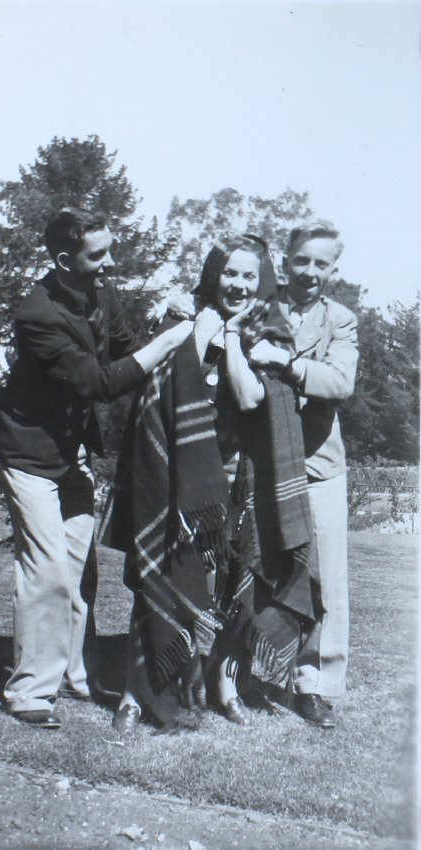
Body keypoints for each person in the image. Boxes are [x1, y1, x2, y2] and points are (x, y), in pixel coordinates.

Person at [102, 233, 321, 734]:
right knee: (158, 575)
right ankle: (137, 693)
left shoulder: (270, 326)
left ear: (261, 279)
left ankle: (224, 689)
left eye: (249, 275)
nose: (238, 284)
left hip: (236, 480)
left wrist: (236, 344)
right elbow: (159, 394)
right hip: (176, 479)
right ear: (213, 274)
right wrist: (200, 334)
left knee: (230, 587)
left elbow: (248, 400)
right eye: (229, 273)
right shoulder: (183, 317)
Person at [0, 207, 194, 728]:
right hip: (30, 457)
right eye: (98, 254)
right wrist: (170, 341)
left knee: (81, 572)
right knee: (47, 571)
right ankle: (30, 691)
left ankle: (78, 676)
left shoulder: (101, 296)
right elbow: (98, 383)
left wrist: (174, 326)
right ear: (63, 259)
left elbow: (130, 350)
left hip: (73, 455)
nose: (111, 262)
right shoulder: (35, 314)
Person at [246, 220, 358, 728]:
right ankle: (245, 669)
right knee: (260, 570)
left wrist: (286, 364)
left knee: (324, 581)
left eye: (321, 263)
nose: (309, 272)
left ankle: (315, 685)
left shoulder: (341, 320)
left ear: (333, 269)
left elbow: (338, 381)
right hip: (264, 464)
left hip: (319, 468)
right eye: (301, 261)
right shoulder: (257, 309)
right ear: (285, 263)